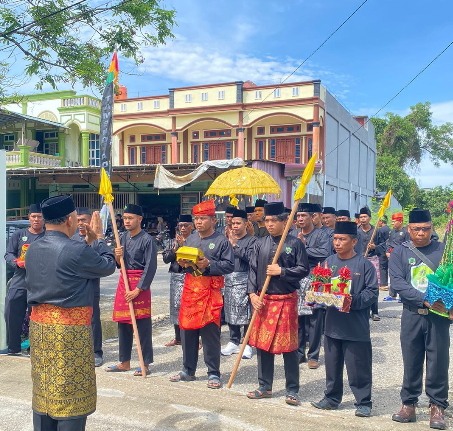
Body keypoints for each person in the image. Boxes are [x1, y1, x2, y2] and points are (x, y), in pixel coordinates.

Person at [25, 195, 116, 431]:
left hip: (40, 329)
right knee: (70, 391)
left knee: (45, 384)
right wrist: (98, 240)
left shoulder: (33, 248)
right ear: (69, 220)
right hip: (69, 332)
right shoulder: (75, 249)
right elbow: (107, 265)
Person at [389, 209, 450, 430]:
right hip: (412, 314)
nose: (421, 233)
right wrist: (424, 299)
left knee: (438, 361)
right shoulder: (400, 252)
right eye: (416, 229)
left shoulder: (443, 250)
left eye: (425, 229)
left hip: (438, 317)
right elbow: (397, 283)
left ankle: (437, 406)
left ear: (432, 228)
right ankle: (408, 404)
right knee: (411, 360)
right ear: (409, 229)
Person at [311, 221, 378, 418]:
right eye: (335, 239)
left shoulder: (364, 265)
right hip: (332, 325)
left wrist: (351, 301)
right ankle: (331, 398)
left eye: (342, 239)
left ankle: (363, 401)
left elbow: (372, 293)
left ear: (354, 241)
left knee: (358, 366)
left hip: (355, 326)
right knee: (332, 364)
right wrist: (316, 298)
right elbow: (320, 286)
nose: (337, 243)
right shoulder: (329, 262)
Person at [246, 201, 309, 406]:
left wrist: (282, 271)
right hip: (263, 300)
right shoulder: (259, 243)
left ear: (285, 221)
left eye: (274, 220)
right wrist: (252, 294)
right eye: (267, 220)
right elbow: (253, 271)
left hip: (285, 299)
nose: (270, 224)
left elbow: (303, 269)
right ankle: (265, 386)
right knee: (262, 345)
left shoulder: (295, 243)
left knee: (289, 347)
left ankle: (292, 389)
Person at [170, 199, 234, 388]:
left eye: (203, 218)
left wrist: (210, 265)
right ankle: (188, 370)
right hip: (191, 290)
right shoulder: (191, 239)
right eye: (196, 218)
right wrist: (182, 264)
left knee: (210, 334)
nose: (198, 222)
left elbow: (229, 265)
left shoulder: (221, 241)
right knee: (187, 331)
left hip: (210, 291)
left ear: (213, 220)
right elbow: (180, 265)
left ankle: (213, 373)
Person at [107, 203, 157, 376]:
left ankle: (145, 363)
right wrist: (117, 256)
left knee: (142, 325)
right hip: (124, 282)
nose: (126, 221)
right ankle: (124, 362)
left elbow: (150, 267)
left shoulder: (147, 240)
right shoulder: (122, 237)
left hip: (139, 286)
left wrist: (138, 289)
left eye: (130, 218)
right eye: (125, 218)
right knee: (123, 325)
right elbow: (119, 265)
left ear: (139, 219)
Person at [1, 204, 45, 356]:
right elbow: (8, 254)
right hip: (20, 280)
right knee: (11, 311)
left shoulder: (47, 236)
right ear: (29, 217)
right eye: (34, 216)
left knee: (38, 316)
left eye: (39, 216)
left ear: (44, 219)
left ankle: (35, 348)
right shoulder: (19, 235)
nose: (36, 219)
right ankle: (13, 347)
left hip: (40, 282)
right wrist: (16, 262)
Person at [295, 202, 331, 369]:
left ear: (312, 217)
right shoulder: (294, 234)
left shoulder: (322, 235)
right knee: (298, 318)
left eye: (304, 216)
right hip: (297, 280)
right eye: (299, 216)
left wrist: (303, 247)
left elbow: (324, 253)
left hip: (315, 278)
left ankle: (314, 355)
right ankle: (299, 353)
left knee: (315, 318)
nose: (301, 219)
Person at [221, 209, 257, 359]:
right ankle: (233, 340)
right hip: (229, 279)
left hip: (245, 279)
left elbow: (252, 259)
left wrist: (235, 246)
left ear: (246, 223)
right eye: (233, 223)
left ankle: (247, 343)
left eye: (238, 223)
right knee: (230, 310)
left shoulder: (252, 240)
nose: (235, 226)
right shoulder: (226, 240)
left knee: (246, 313)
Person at [72, 207, 104, 367]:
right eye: (78, 220)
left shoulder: (97, 240)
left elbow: (99, 262)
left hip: (91, 285)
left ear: (91, 220)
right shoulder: (71, 239)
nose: (80, 223)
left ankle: (96, 351)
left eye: (84, 220)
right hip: (73, 287)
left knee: (92, 318)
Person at [162, 214, 194, 346]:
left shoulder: (195, 240)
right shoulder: (172, 241)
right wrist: (176, 248)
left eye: (186, 225)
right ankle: (178, 337)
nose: (183, 228)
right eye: (180, 225)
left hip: (191, 276)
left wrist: (185, 246)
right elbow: (165, 259)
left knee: (191, 307)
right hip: (176, 276)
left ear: (191, 227)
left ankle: (194, 339)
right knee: (175, 306)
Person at [357, 206, 383, 321]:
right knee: (361, 285)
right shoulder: (356, 231)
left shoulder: (376, 230)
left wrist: (375, 247)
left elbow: (384, 245)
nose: (363, 219)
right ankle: (364, 310)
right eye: (361, 217)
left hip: (373, 259)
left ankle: (375, 312)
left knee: (374, 285)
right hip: (360, 259)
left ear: (369, 218)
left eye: (365, 217)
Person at [381, 212, 410, 301]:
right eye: (392, 222)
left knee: (402, 276)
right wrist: (387, 251)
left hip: (402, 257)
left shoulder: (405, 232)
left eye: (394, 221)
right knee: (392, 275)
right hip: (392, 256)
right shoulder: (392, 232)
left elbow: (408, 245)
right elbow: (388, 243)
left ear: (400, 221)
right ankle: (392, 295)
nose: (392, 223)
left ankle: (402, 296)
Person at [377, 215, 390, 291]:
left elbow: (378, 241)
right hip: (388, 250)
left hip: (381, 250)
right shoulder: (389, 229)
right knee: (387, 267)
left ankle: (383, 284)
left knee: (382, 267)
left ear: (381, 221)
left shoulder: (380, 230)